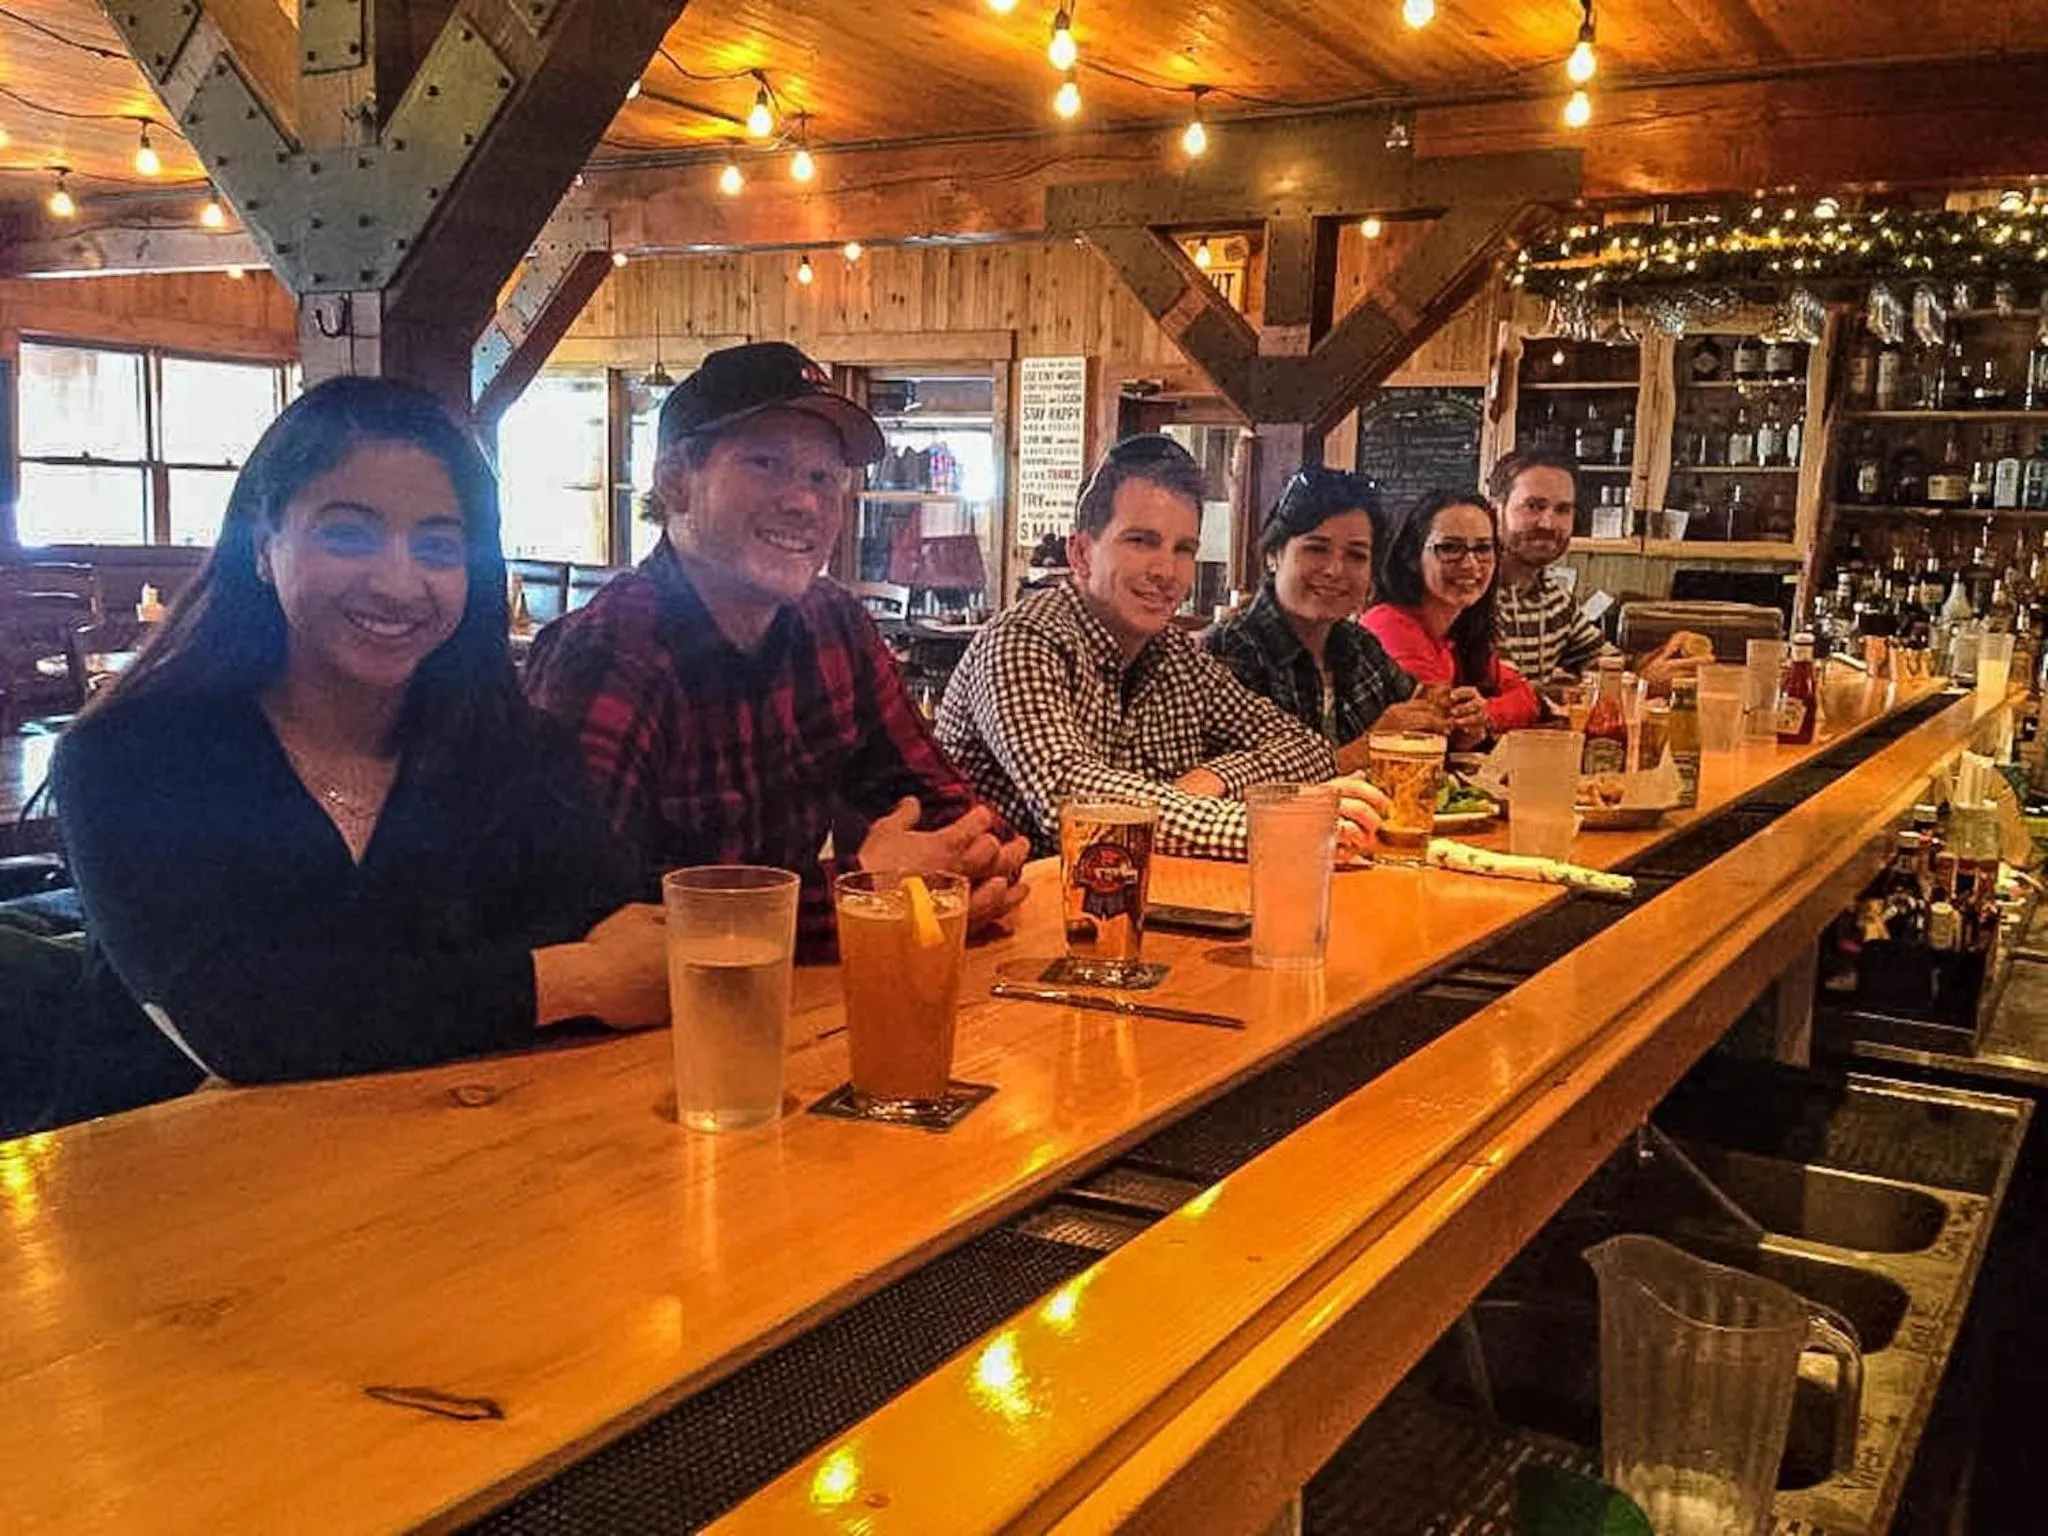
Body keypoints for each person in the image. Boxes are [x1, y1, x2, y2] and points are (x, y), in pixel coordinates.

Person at [51, 377, 663, 1113]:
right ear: (262, 544)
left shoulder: (518, 749)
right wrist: (571, 979)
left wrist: (577, 969)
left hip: (456, 1163)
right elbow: (241, 1025)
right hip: (165, 1179)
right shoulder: (129, 758)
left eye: (438, 545)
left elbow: (637, 947)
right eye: (349, 534)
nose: (399, 583)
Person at [524, 342, 1028, 959]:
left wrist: (972, 863)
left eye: (823, 478)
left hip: (798, 1015)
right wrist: (860, 895)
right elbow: (577, 913)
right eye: (766, 464)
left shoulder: (835, 625)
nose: (805, 502)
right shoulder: (610, 652)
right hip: (638, 1044)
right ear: (675, 482)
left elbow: (957, 816)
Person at [936, 435, 1386, 860]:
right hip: (1008, 916)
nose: (1166, 571)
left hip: (1135, 907)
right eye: (1141, 541)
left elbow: (1303, 747)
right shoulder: (1022, 640)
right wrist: (1277, 825)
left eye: (1184, 549)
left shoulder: (1176, 655)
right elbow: (1072, 800)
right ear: (1081, 554)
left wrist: (1217, 778)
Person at [1206, 465, 1474, 772]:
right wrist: (1371, 747)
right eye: (1316, 549)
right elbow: (1235, 791)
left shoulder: (1359, 644)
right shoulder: (1227, 650)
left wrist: (1457, 721)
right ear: (1273, 555)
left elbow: (1420, 711)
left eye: (1356, 555)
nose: (1335, 570)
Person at [1489, 449, 1702, 694]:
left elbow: (1606, 664)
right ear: (1495, 510)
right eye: (1534, 506)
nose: (1548, 523)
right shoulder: (1471, 594)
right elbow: (1506, 695)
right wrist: (1640, 686)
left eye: (1562, 510)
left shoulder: (1554, 599)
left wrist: (1666, 656)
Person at [1362, 490, 1542, 740]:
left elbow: (1526, 697)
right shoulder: (1388, 623)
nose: (1471, 564)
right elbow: (1442, 726)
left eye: (1482, 548)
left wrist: (1488, 713)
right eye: (1449, 548)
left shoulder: (1459, 629)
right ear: (1412, 558)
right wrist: (1481, 717)